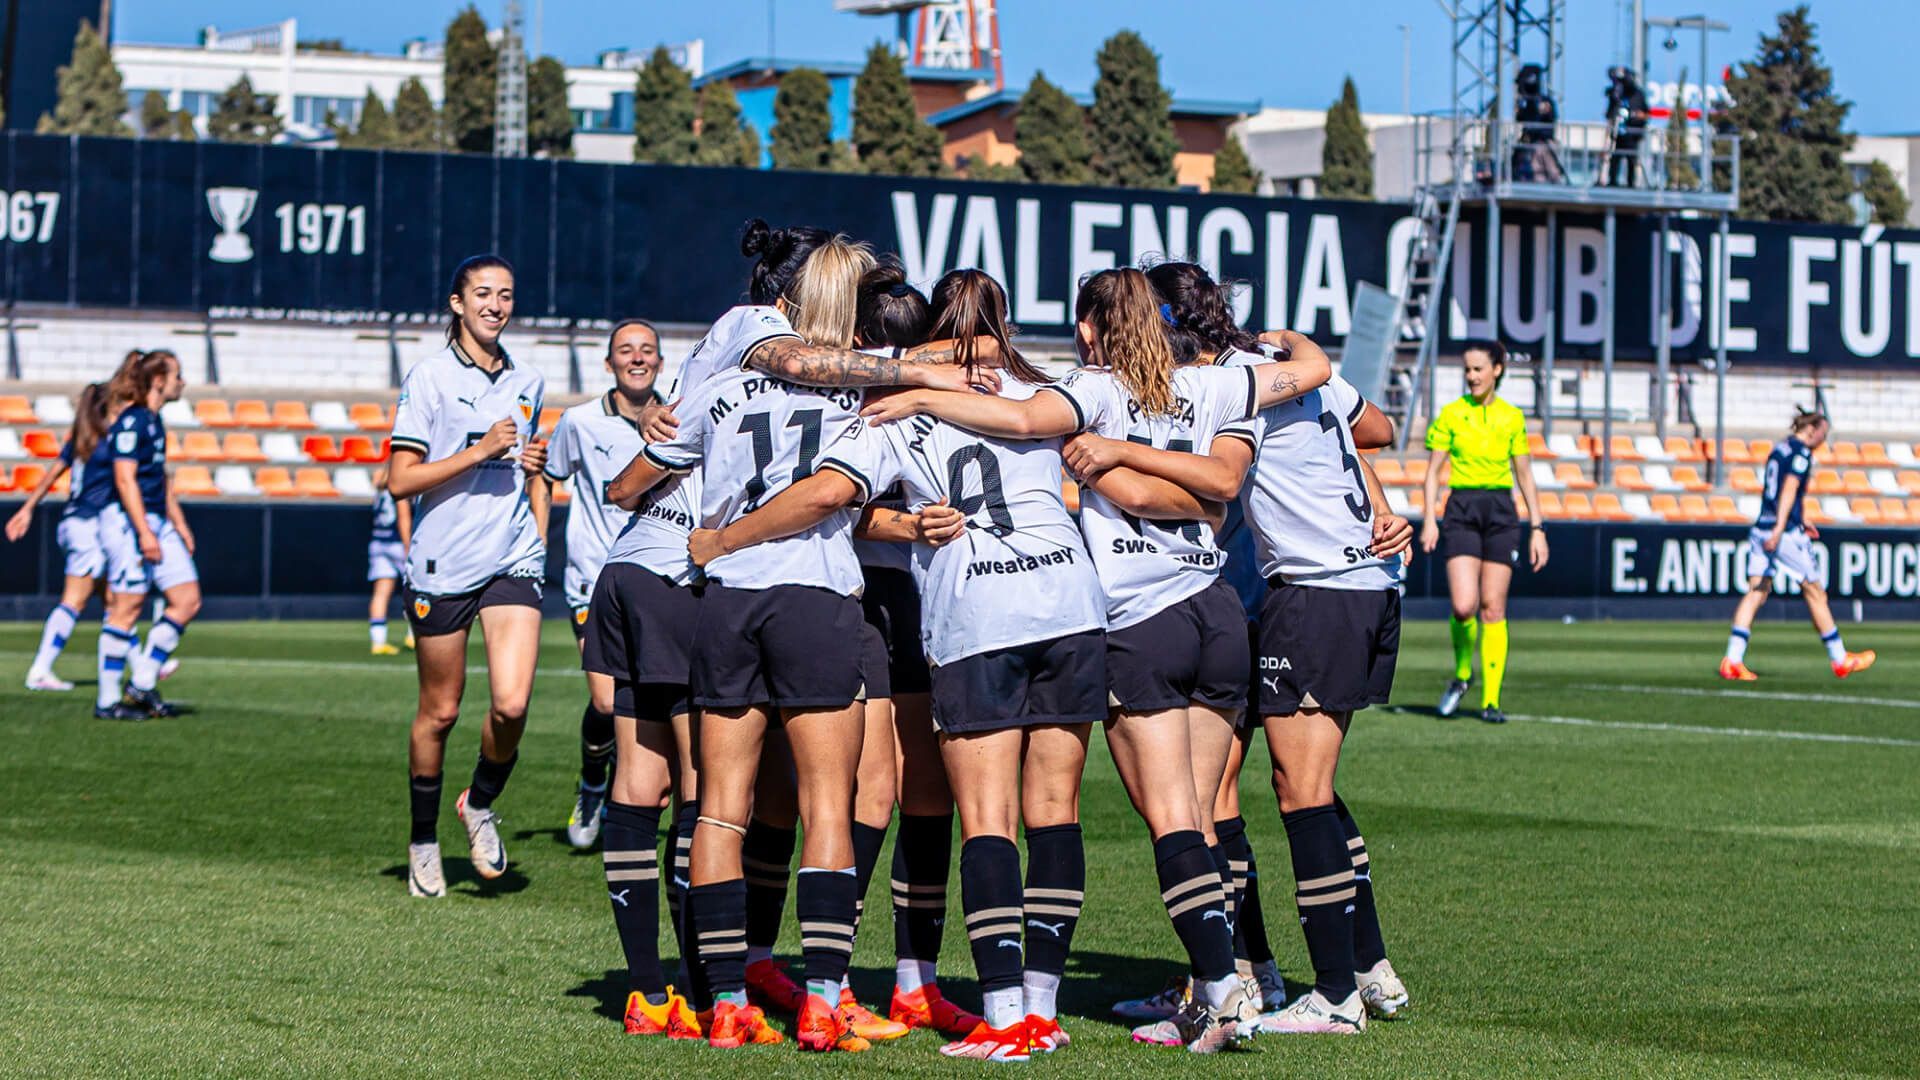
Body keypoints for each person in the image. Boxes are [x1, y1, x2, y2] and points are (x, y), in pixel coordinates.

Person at [679, 269, 1106, 1064]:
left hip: (919, 597)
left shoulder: (897, 392)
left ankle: (911, 978)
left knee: (921, 792)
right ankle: (815, 978)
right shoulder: (1015, 387)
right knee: (859, 789)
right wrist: (910, 520)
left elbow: (826, 488)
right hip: (876, 593)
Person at [608, 219, 971, 1055]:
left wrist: (703, 521)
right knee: (827, 808)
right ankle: (820, 1001)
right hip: (814, 597)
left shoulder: (729, 379)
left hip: (728, 601)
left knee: (720, 810)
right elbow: (841, 501)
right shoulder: (865, 397)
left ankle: (727, 1005)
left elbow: (634, 482)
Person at [1095, 261, 1412, 1031]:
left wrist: (1113, 459)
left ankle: (1330, 993)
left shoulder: (1228, 383)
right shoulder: (1279, 368)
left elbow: (1216, 482)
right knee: (1266, 783)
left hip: (1312, 592)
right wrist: (1379, 503)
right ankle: (1339, 967)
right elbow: (1375, 430)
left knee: (1288, 792)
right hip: (1360, 586)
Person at [387, 254, 550, 898]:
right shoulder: (427, 377)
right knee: (441, 711)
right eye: (482, 293)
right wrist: (479, 450)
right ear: (457, 303)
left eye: (506, 294)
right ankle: (423, 840)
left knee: (511, 706)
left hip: (511, 555)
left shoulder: (529, 380)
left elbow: (525, 467)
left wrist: (527, 467)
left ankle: (478, 803)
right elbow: (400, 480)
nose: (495, 304)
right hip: (442, 561)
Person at [537, 319, 667, 851]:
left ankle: (638, 799)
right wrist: (538, 541)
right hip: (594, 577)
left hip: (663, 575)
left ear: (660, 362)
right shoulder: (580, 421)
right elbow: (546, 474)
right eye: (625, 351)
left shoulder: (681, 414)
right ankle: (594, 784)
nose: (637, 359)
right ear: (609, 363)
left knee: (660, 696)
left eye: (647, 351)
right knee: (609, 702)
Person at [1418, 341, 1548, 725]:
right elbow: (1432, 473)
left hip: (1501, 512)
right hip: (1461, 509)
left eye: (1478, 369)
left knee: (1493, 606)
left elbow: (1524, 474)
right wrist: (1428, 519)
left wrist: (1537, 527)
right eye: (1468, 370)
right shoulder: (1452, 414)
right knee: (1463, 605)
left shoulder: (1512, 417)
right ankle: (1462, 675)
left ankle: (1491, 701)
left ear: (1498, 370)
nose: (1472, 376)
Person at [1720, 408, 1875, 681]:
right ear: (1812, 430)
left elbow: (1775, 491)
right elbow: (1789, 489)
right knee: (1815, 591)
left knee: (1757, 591)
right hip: (1783, 533)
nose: (1823, 442)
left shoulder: (1779, 449)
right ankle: (1840, 658)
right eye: (1823, 435)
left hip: (1761, 526)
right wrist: (1782, 528)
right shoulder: (1802, 454)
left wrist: (1800, 518)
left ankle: (1732, 659)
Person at [97, 350, 199, 720]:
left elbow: (160, 483)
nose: (182, 382)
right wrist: (143, 531)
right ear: (159, 381)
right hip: (129, 522)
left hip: (156, 521)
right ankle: (107, 702)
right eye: (177, 375)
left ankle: (141, 681)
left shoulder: (155, 422)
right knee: (127, 608)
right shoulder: (132, 421)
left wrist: (179, 525)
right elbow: (124, 480)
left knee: (187, 599)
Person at [8, 381, 117, 691]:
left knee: (115, 601)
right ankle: (40, 668)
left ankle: (143, 668)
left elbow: (52, 473)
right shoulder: (106, 440)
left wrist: (28, 508)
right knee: (75, 600)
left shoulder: (82, 438)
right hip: (88, 525)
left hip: (74, 522)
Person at [366, 467, 412, 655]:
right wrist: (408, 544)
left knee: (380, 593)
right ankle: (413, 635)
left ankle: (378, 642)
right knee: (414, 589)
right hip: (396, 543)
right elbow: (403, 517)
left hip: (378, 541)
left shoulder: (379, 488)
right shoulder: (396, 487)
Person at [1512, 62, 1563, 183]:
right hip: (1528, 140)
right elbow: (1521, 119)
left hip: (1543, 142)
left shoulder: (1545, 102)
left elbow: (1551, 120)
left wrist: (1542, 109)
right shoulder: (1525, 103)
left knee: (1544, 167)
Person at [1603, 65, 1650, 187]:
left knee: (1631, 159)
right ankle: (1612, 181)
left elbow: (1646, 114)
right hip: (1619, 132)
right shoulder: (1617, 94)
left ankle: (1631, 183)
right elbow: (1610, 114)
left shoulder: (1638, 95)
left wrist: (1636, 115)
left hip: (1632, 134)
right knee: (1615, 158)